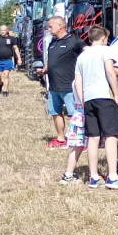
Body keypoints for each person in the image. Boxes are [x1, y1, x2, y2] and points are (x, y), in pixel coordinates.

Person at [72, 26, 118, 190]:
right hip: (105, 97)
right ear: (104, 37)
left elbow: (78, 81)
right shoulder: (107, 51)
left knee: (93, 137)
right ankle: (112, 176)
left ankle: (94, 176)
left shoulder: (82, 56)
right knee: (111, 135)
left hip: (88, 99)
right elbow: (110, 72)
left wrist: (83, 101)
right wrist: (117, 94)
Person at [37, 16, 83, 148]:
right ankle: (61, 139)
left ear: (60, 26)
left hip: (69, 86)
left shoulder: (74, 41)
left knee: (74, 115)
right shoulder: (53, 42)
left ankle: (79, 140)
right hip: (53, 86)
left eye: (51, 27)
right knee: (55, 112)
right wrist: (44, 69)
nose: (48, 29)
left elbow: (87, 53)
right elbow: (51, 60)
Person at [0, 24, 22, 97]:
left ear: (7, 30)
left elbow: (16, 48)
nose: (3, 32)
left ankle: (5, 90)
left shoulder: (12, 39)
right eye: (1, 30)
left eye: (4, 30)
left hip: (8, 60)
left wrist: (19, 59)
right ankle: (0, 84)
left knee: (6, 75)